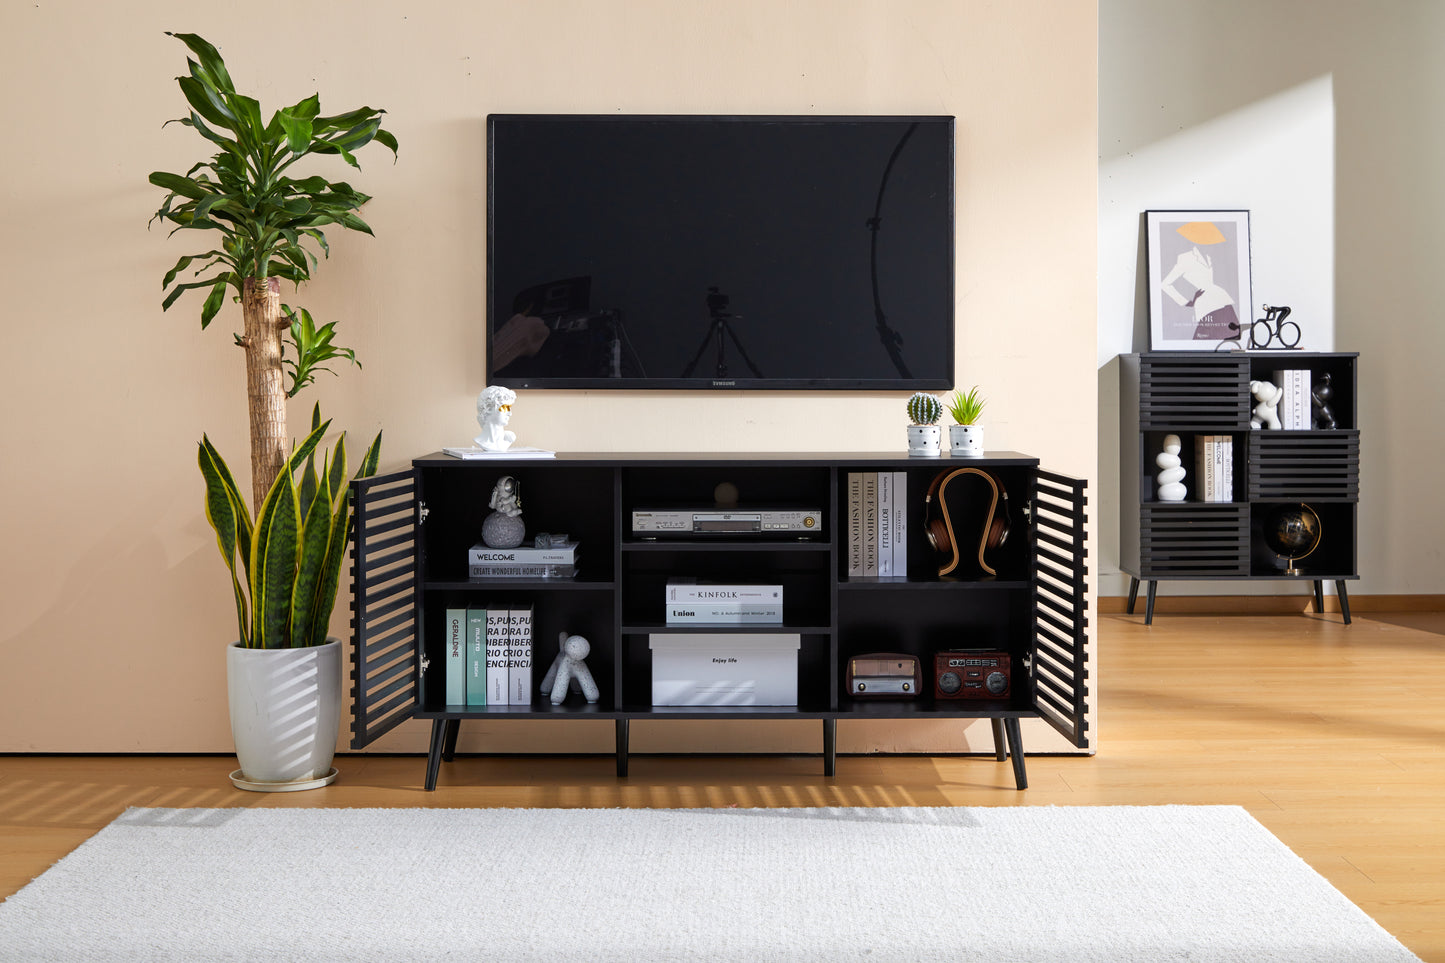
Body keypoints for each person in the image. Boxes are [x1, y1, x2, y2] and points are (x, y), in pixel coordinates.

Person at [1159, 221, 1240, 341]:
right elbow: (1165, 284)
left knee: (1231, 339)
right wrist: (1187, 302)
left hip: (1222, 299)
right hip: (1206, 305)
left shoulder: (1209, 256)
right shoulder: (1185, 258)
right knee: (1206, 341)